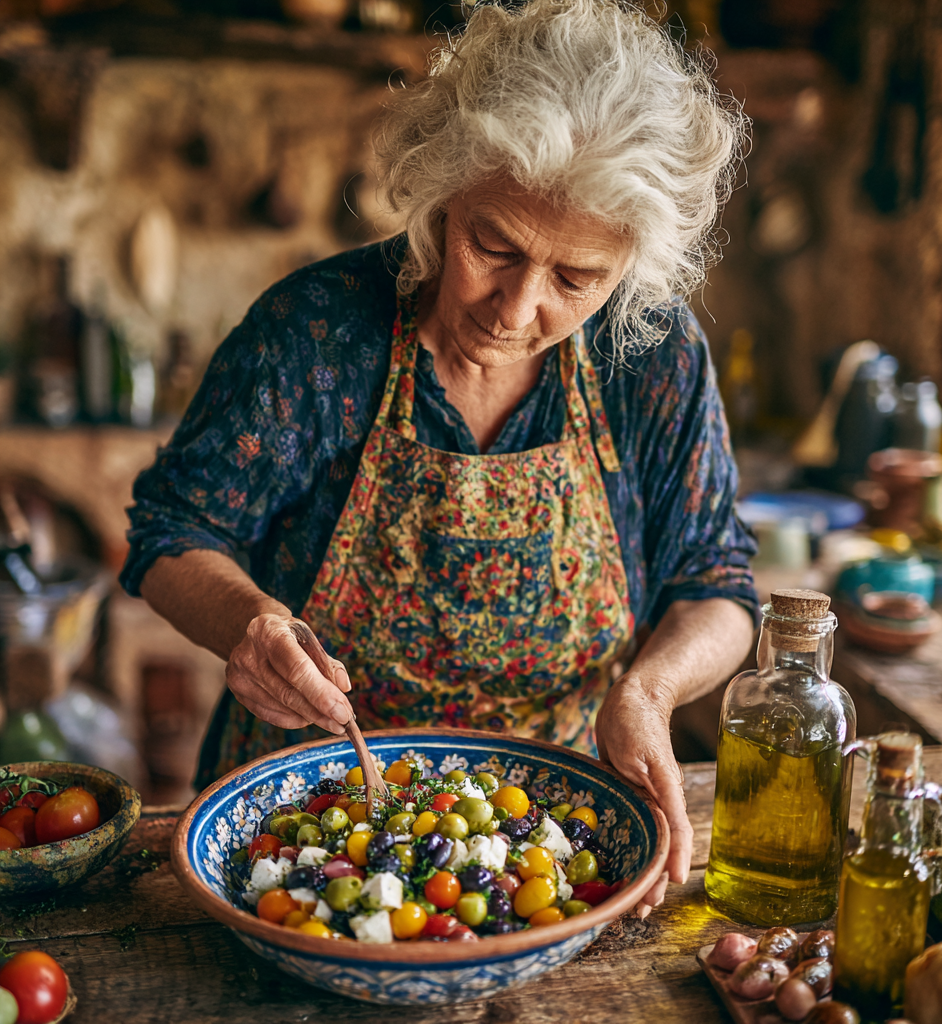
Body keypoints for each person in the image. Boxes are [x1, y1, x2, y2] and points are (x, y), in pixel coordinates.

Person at [122, 0, 757, 917]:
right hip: (301, 825)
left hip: (544, 848)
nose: (515, 307)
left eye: (577, 278)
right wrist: (247, 622)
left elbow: (719, 581)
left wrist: (650, 694)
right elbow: (170, 531)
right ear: (443, 189)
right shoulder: (315, 332)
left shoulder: (653, 355)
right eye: (491, 245)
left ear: (630, 270)